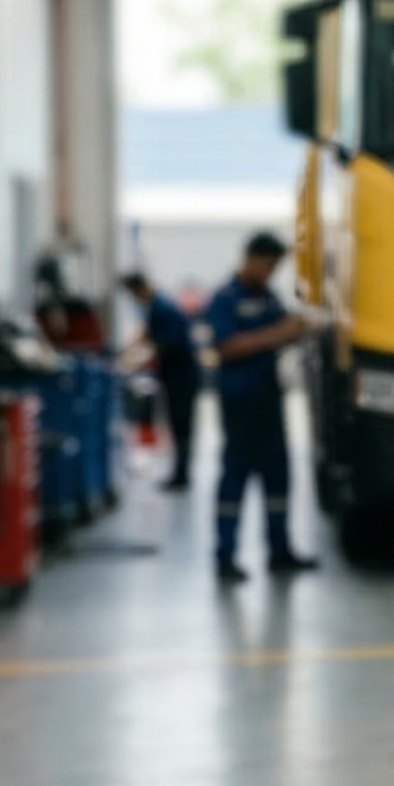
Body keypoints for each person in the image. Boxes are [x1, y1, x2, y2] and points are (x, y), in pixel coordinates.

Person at [203, 232, 321, 583]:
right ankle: (226, 557)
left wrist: (301, 327)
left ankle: (280, 552)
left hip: (270, 401)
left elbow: (283, 329)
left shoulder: (268, 297)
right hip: (239, 404)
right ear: (251, 258)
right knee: (234, 478)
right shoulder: (225, 299)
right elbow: (225, 347)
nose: (271, 273)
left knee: (278, 480)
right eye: (268, 265)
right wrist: (277, 334)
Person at [121, 273, 202, 491]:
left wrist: (135, 361)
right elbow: (148, 336)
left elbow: (167, 345)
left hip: (182, 376)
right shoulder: (158, 307)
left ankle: (181, 474)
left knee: (181, 426)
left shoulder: (162, 308)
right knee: (177, 426)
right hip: (175, 375)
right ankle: (179, 472)